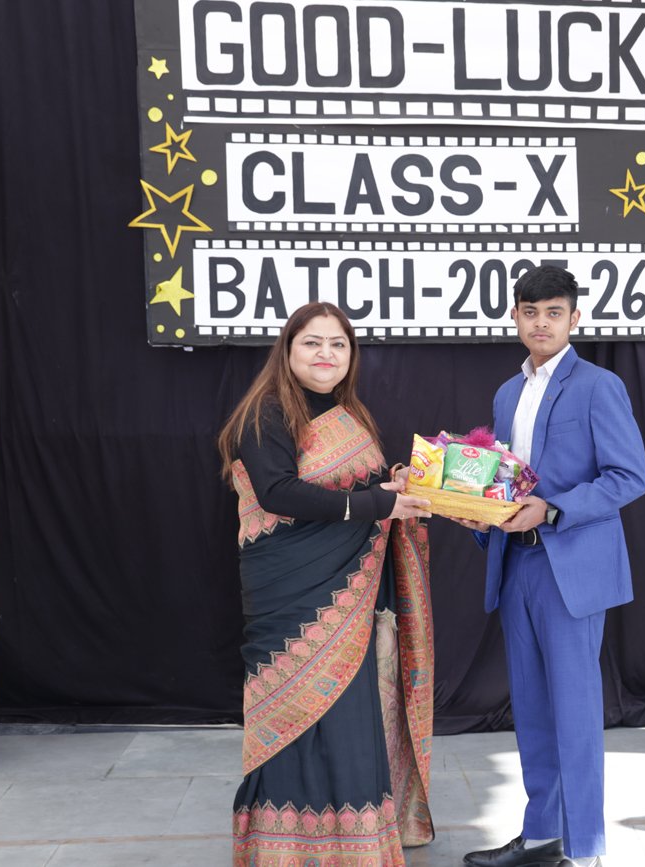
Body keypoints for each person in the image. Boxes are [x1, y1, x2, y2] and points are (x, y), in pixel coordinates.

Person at [217, 301, 436, 864]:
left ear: (350, 355)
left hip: (350, 587)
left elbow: (358, 490)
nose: (326, 354)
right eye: (312, 342)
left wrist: (396, 486)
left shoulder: (348, 414)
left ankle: (355, 845)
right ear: (287, 350)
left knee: (349, 711)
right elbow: (278, 492)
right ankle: (283, 848)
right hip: (291, 590)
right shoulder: (265, 412)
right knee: (294, 706)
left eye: (338, 344)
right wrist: (378, 504)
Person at [453, 265, 645, 867]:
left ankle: (585, 849)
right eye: (531, 312)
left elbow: (628, 477)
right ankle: (542, 836)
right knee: (533, 711)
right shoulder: (506, 394)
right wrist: (474, 509)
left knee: (576, 715)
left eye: (554, 312)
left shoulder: (598, 386)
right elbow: (507, 482)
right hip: (516, 565)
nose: (541, 323)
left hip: (570, 569)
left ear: (574, 318)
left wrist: (554, 508)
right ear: (515, 316)